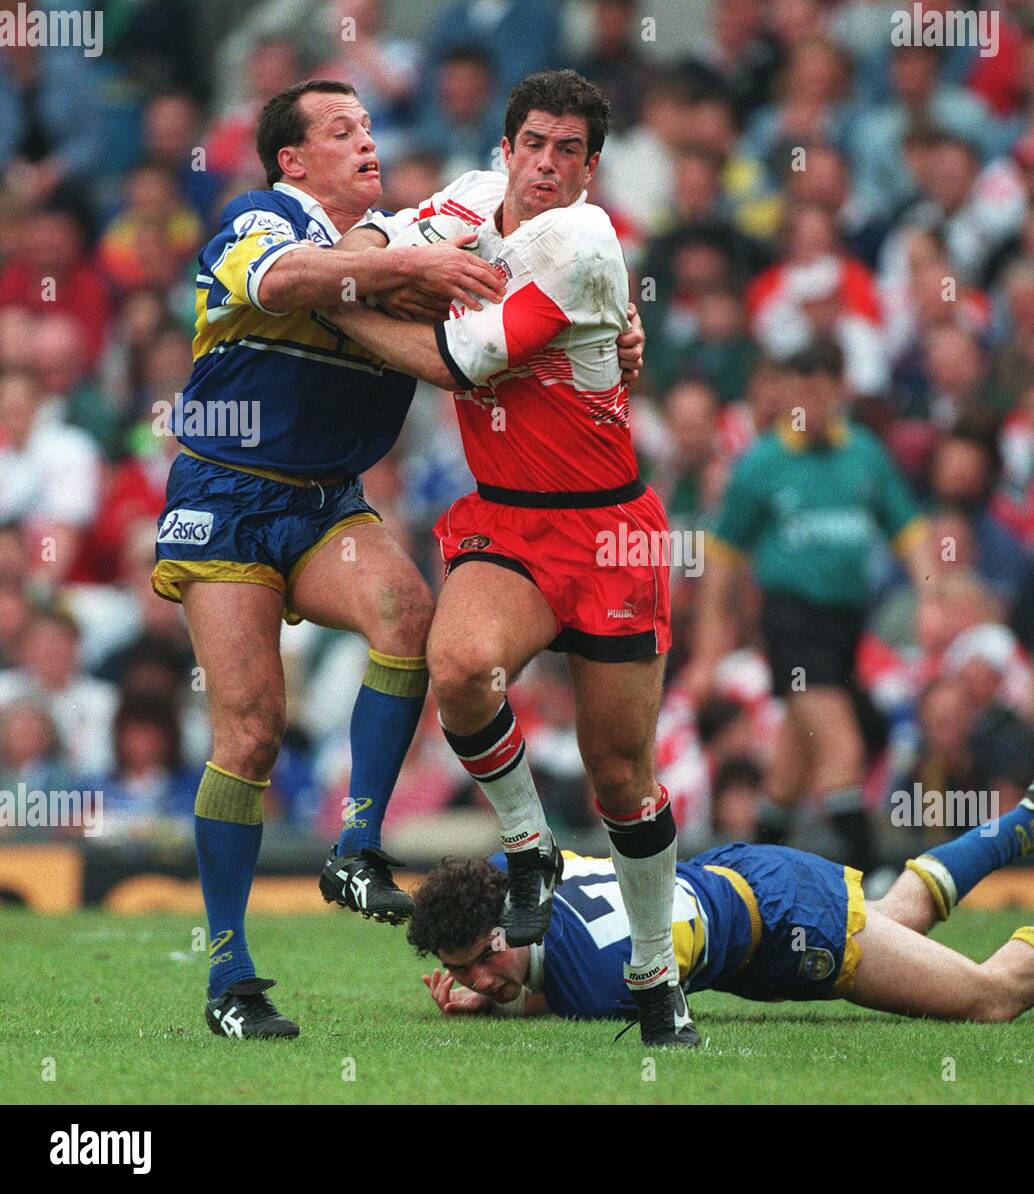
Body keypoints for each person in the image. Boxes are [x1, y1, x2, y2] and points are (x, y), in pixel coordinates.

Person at [152, 78, 607, 1043]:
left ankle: (357, 843)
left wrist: (616, 323)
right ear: (293, 159)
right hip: (225, 497)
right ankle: (230, 974)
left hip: (324, 504)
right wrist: (404, 271)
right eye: (340, 130)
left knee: (409, 615)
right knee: (251, 731)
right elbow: (282, 285)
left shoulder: (413, 234)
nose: (367, 141)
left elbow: (541, 295)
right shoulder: (259, 220)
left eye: (368, 126)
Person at [323, 70, 695, 1047]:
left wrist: (340, 311)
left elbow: (465, 361)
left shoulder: (583, 241)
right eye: (531, 142)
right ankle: (529, 847)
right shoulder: (474, 197)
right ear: (506, 146)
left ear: (591, 166)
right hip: (509, 519)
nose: (545, 164)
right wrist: (354, 260)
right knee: (459, 668)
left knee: (621, 779)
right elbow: (374, 238)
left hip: (606, 528)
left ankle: (657, 981)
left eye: (567, 150)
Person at [410, 774, 1034, 1026]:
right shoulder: (515, 873)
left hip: (783, 925)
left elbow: (578, 991)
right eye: (465, 969)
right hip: (746, 878)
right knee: (901, 921)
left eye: (483, 956)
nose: (482, 975)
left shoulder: (593, 980)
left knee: (989, 999)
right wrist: (494, 990)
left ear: (503, 921)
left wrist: (500, 1006)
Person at [687, 341, 929, 872]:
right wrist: (707, 654)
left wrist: (932, 596)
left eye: (821, 393)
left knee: (790, 770)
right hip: (792, 621)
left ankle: (746, 873)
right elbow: (723, 564)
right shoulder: (762, 465)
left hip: (846, 625)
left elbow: (910, 533)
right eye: (801, 392)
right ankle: (878, 879)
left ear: (839, 391)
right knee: (841, 748)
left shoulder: (865, 455)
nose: (810, 406)